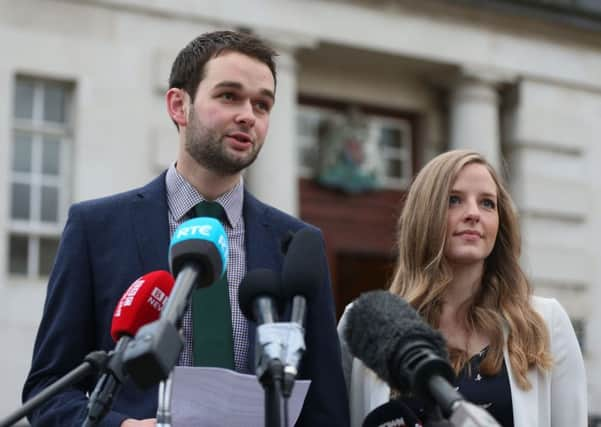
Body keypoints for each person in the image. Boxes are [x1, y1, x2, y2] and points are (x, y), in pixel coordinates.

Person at [23, 30, 349, 427]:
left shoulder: (298, 244)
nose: (248, 114)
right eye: (229, 96)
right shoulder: (96, 229)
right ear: (179, 105)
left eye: (262, 104)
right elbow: (48, 391)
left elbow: (327, 407)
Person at [338, 149, 587, 427]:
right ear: (425, 215)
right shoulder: (365, 323)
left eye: (487, 204)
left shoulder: (546, 321)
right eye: (454, 200)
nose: (473, 214)